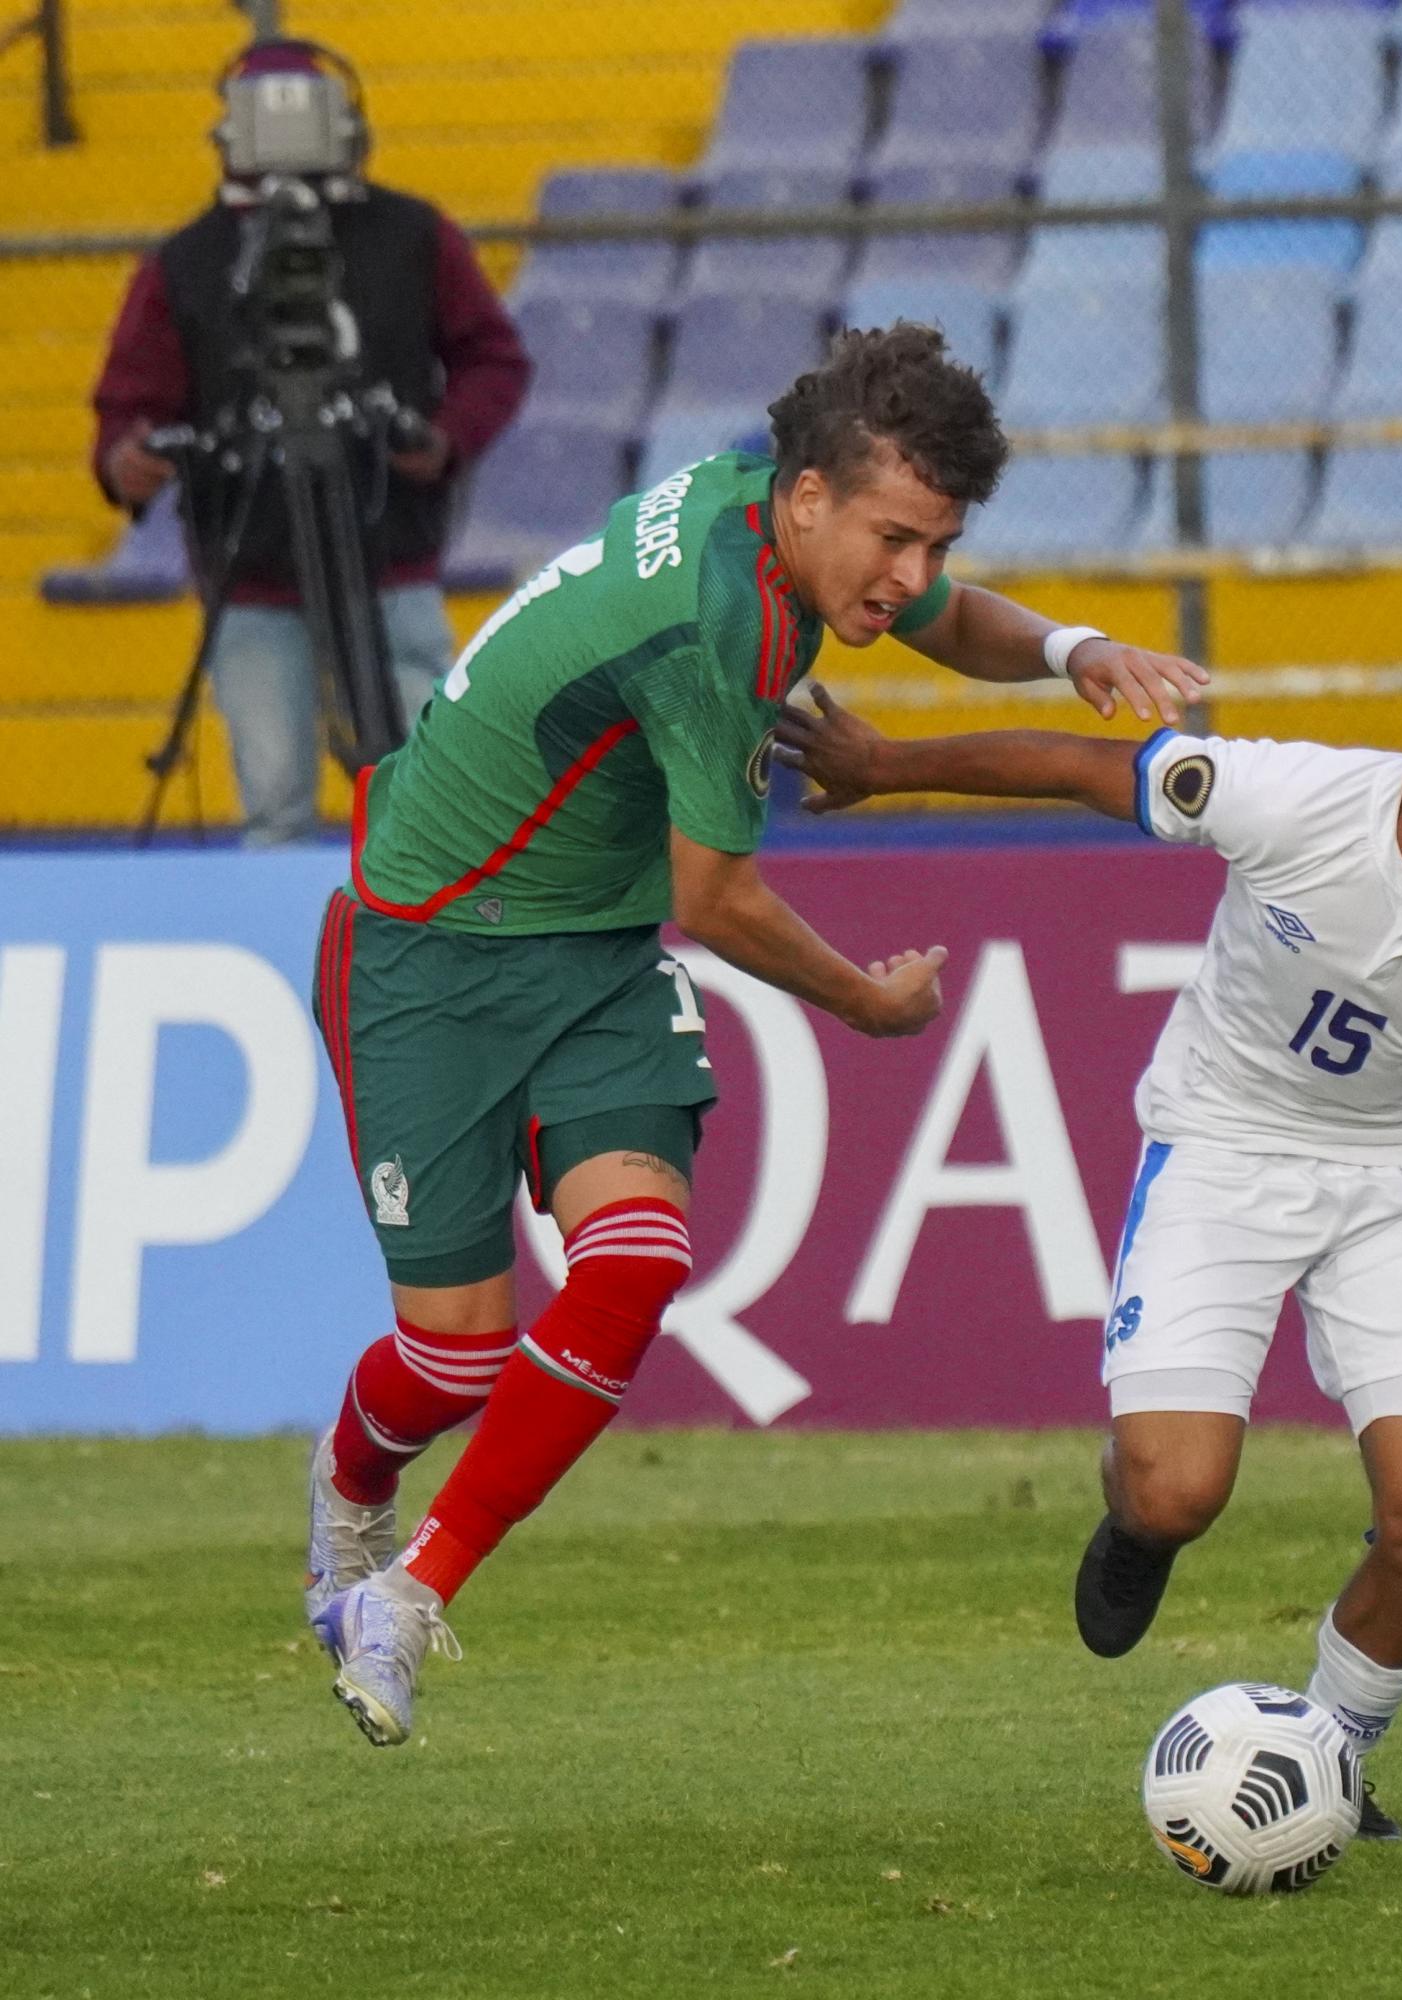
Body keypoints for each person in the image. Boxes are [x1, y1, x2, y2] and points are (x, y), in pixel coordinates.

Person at [303, 321, 1210, 1747]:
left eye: (935, 540)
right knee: (456, 1356)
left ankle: (413, 1593)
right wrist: (870, 1003)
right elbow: (716, 900)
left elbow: (941, 613)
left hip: (591, 947)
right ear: (811, 501)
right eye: (897, 541)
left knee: (637, 1260)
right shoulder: (716, 623)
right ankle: (353, 1497)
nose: (911, 577)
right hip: (430, 950)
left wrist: (1073, 647)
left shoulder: (774, 496)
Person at [776, 590, 1402, 1840]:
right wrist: (886, 764)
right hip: (1222, 1145)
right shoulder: (1290, 800)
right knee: (1177, 1491)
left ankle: (1326, 1756)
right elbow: (1083, 769)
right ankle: (1132, 1518)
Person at [90, 37, 531, 845]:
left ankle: (427, 937)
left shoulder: (412, 235)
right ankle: (302, 955)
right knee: (277, 805)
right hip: (252, 569)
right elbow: (128, 405)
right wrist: (129, 458)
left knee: (431, 796)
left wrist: (445, 437)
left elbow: (493, 358)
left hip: (388, 552)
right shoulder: (188, 262)